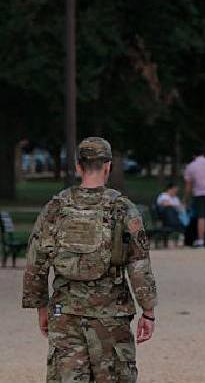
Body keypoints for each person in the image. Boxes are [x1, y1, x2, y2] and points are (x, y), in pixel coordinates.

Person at [22, 137, 157, 381]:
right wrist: (148, 311)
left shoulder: (55, 207)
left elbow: (35, 262)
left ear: (78, 167)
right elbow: (139, 264)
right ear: (108, 166)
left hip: (66, 312)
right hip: (110, 315)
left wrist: (41, 308)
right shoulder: (123, 209)